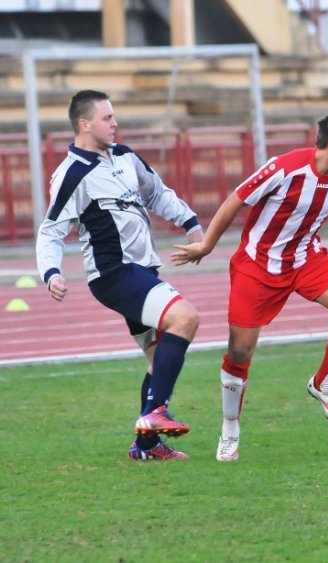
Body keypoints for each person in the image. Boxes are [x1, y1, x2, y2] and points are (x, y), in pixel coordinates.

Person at [171, 102, 328, 462]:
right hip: (258, 267)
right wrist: (207, 244)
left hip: (307, 258)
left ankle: (323, 383)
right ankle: (230, 428)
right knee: (239, 353)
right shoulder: (284, 168)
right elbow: (237, 199)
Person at [36, 89, 202, 461]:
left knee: (156, 358)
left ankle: (146, 446)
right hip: (113, 274)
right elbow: (50, 230)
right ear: (85, 124)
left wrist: (191, 223)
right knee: (186, 317)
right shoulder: (72, 174)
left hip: (141, 271)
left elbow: (157, 193)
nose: (115, 123)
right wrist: (51, 272)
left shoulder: (126, 157)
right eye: (107, 118)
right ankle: (155, 413)